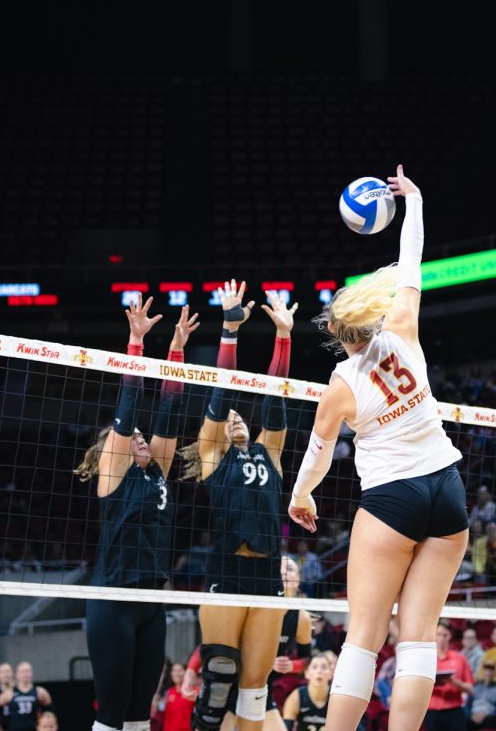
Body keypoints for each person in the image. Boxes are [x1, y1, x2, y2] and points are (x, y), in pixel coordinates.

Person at [287, 167, 469, 731]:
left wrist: (303, 497)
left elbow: (317, 458)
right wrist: (413, 201)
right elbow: (411, 263)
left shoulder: (341, 386)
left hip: (393, 499)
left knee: (363, 642)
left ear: (339, 333)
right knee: (417, 639)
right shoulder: (404, 326)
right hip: (448, 488)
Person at [75, 297, 199, 731]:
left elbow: (170, 413)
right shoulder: (112, 478)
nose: (141, 438)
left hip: (152, 604)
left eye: (142, 436)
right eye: (132, 437)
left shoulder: (157, 473)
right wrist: (136, 343)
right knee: (110, 717)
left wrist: (177, 351)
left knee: (139, 719)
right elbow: (128, 413)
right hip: (113, 603)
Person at [188, 283, 296, 731]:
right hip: (227, 569)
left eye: (239, 416)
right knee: (218, 681)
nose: (233, 418)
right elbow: (220, 396)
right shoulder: (213, 456)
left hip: (267, 574)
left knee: (255, 688)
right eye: (227, 417)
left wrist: (284, 337)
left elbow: (277, 399)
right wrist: (230, 331)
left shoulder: (271, 455)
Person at [266, 557, 316, 731]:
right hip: (232, 683)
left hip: (261, 689)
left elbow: (306, 659)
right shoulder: (254, 605)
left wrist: (291, 665)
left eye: (289, 568)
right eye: (278, 568)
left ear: (298, 580)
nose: (283, 572)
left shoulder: (301, 617)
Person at [423, 623, 473, 731]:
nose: (441, 638)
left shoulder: (460, 658)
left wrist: (454, 681)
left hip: (455, 711)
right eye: (439, 634)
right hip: (432, 712)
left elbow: (470, 690)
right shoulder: (426, 658)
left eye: (445, 635)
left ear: (450, 636)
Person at [0, 663, 52, 731]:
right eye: (22, 672)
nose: (25, 674)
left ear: (31, 673)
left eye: (27, 671)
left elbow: (50, 712)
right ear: (16, 674)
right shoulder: (9, 693)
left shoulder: (40, 692)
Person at [281, 656, 330, 731]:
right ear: (307, 673)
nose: (319, 671)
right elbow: (286, 728)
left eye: (324, 667)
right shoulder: (296, 696)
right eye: (314, 667)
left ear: (331, 673)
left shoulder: (337, 698)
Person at [466, 663, 496, 731]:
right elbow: (467, 705)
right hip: (473, 715)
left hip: (489, 716)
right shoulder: (475, 687)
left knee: (493, 721)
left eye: (491, 670)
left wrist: (485, 715)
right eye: (486, 670)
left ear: (495, 673)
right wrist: (471, 715)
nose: (488, 673)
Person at [155, 663, 195, 731]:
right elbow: (161, 711)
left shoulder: (193, 692)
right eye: (174, 671)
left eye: (179, 670)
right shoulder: (168, 692)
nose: (176, 674)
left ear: (186, 672)